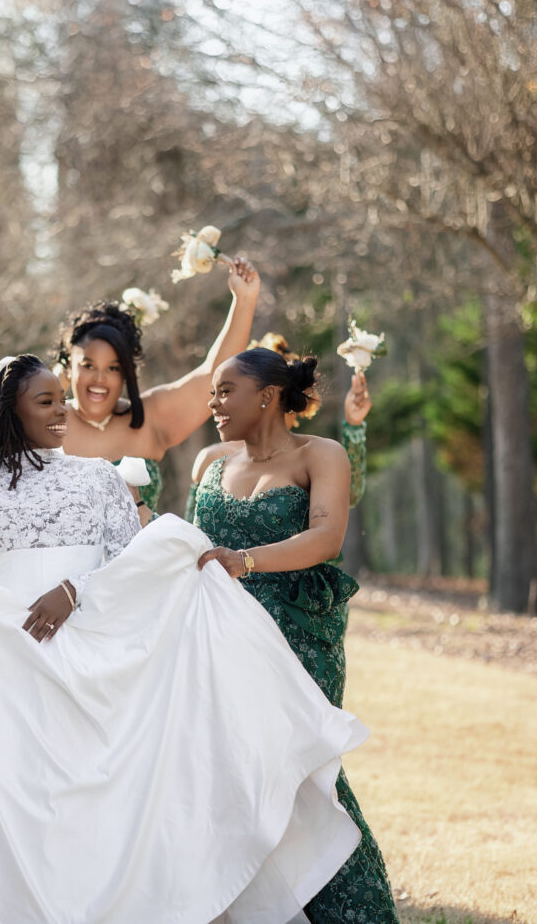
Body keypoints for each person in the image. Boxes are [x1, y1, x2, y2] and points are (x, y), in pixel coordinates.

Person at [0, 354, 374, 924]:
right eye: (45, 401)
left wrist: (75, 591)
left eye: (62, 399)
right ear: (11, 413)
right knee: (15, 794)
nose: (62, 411)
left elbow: (129, 566)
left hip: (91, 651)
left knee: (99, 794)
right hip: (9, 657)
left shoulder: (100, 479)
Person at [194, 348, 399, 924]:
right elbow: (192, 549)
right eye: (212, 392)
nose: (213, 404)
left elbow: (327, 537)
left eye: (225, 391)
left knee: (301, 768)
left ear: (266, 395)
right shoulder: (210, 462)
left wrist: (246, 560)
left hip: (300, 636)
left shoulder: (322, 455)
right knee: (232, 771)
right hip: (222, 643)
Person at [0, 249, 260, 521]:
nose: (100, 379)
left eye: (113, 368)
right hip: (63, 577)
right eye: (88, 366)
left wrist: (244, 300)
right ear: (69, 368)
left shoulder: (151, 420)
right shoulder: (43, 420)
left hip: (141, 569)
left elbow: (213, 376)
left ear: (126, 373)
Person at [186, 332, 372, 520]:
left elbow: (350, 495)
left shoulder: (314, 455)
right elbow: (190, 532)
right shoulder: (212, 460)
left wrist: (353, 426)